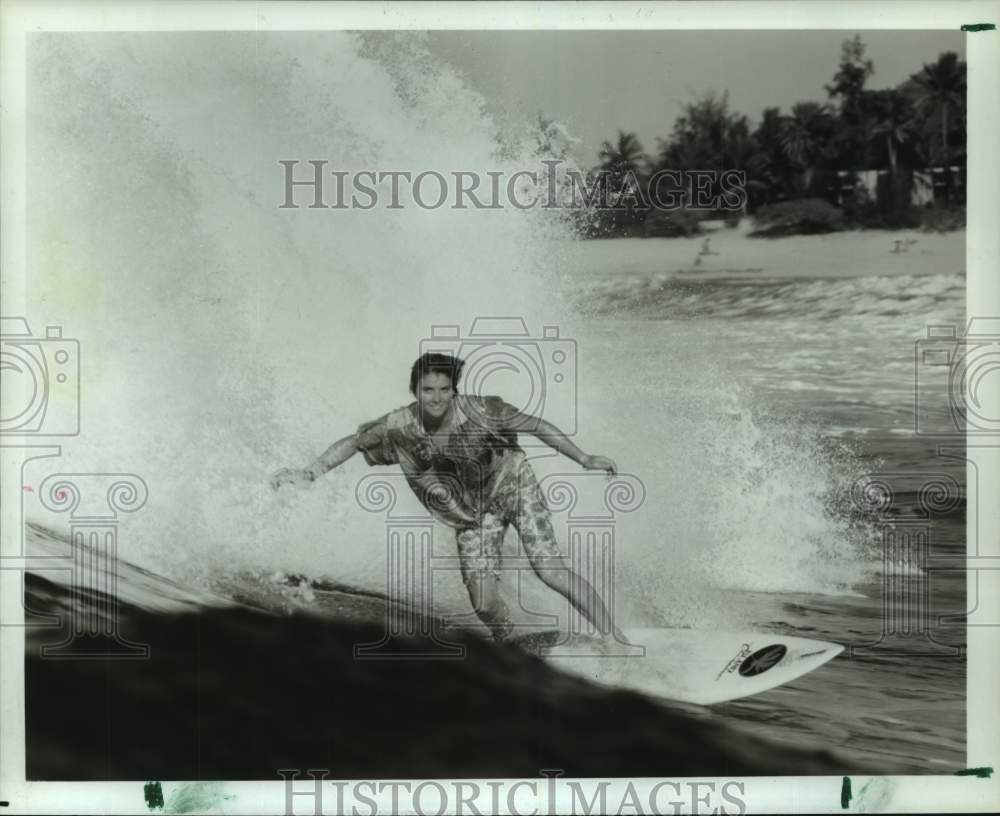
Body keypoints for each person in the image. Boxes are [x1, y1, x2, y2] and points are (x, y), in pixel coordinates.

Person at [271, 352, 624, 643]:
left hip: (514, 485)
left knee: (549, 570)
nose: (436, 398)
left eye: (443, 389)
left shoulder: (483, 410)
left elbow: (538, 426)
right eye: (427, 390)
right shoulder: (399, 426)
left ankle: (614, 638)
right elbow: (353, 442)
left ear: (454, 391)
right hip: (471, 511)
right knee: (483, 603)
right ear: (414, 391)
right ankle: (510, 642)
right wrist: (309, 472)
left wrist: (584, 458)